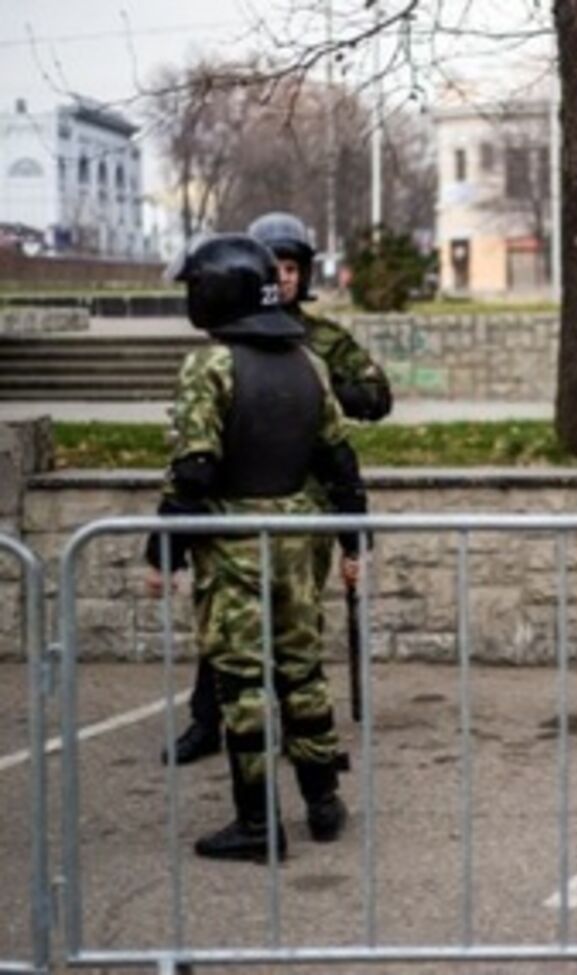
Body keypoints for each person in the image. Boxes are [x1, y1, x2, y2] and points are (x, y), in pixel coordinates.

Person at [146, 233, 368, 861]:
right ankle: (323, 804)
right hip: (300, 541)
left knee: (241, 681)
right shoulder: (307, 363)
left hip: (235, 543)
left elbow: (193, 467)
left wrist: (162, 552)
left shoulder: (210, 366)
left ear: (220, 291)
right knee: (302, 670)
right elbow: (340, 460)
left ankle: (255, 824)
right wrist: (353, 538)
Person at [163, 212, 392, 766]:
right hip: (236, 501)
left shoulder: (320, 343)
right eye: (276, 268)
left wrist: (316, 390)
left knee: (295, 630)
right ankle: (208, 720)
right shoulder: (223, 347)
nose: (284, 279)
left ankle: (305, 741)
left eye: (293, 268)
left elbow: (374, 398)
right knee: (226, 628)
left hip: (302, 502)